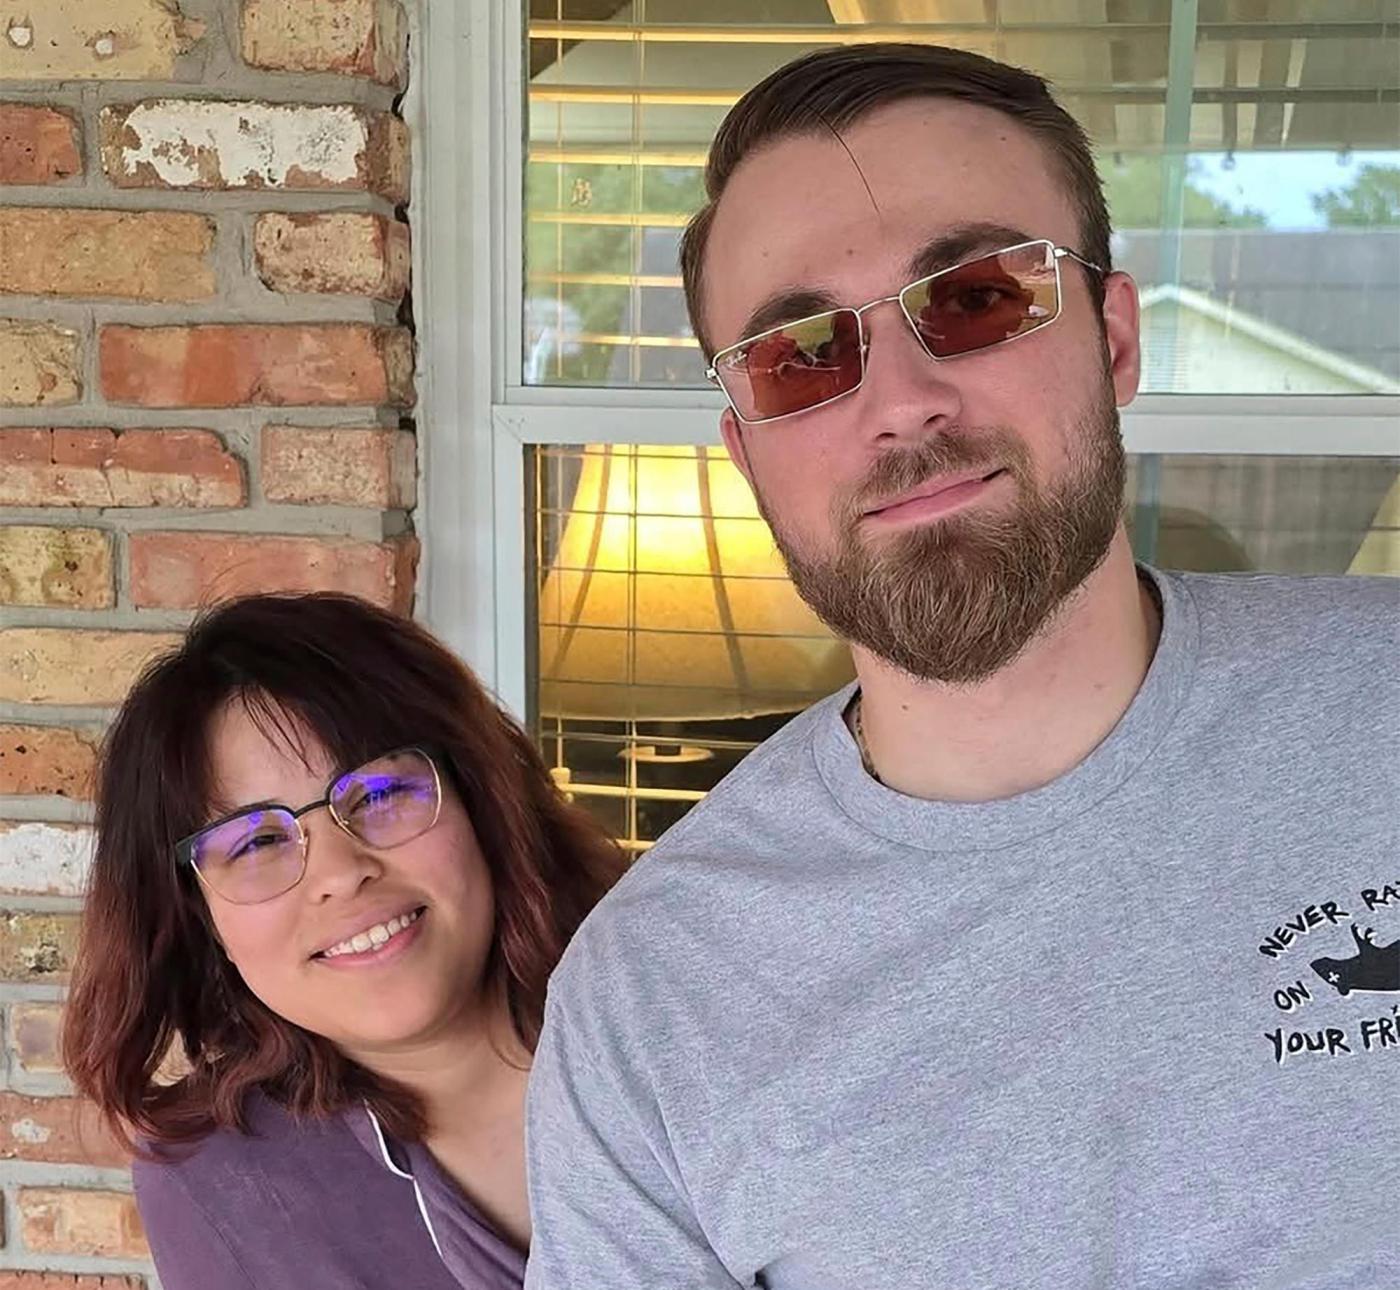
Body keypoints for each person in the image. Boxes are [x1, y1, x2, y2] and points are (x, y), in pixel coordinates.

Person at [523, 42, 1400, 1289]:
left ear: (1112, 339)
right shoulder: (651, 997)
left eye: (977, 297)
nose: (901, 401)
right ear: (745, 451)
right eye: (799, 356)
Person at [64, 593, 622, 1289]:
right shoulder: (217, 1182)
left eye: (380, 794)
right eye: (256, 842)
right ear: (201, 917)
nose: (340, 873)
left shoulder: (675, 1011)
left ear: (481, 800)